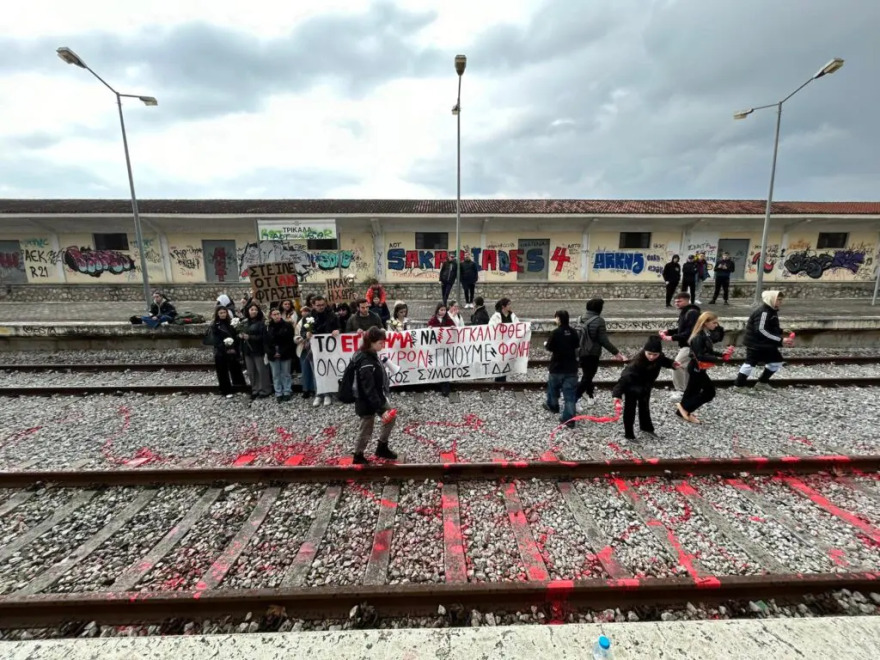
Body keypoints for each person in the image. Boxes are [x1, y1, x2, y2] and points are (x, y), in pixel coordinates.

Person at [612, 336, 678, 440]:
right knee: (630, 410)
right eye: (649, 354)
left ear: (659, 353)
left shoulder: (659, 357)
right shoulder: (636, 363)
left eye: (655, 354)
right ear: (644, 351)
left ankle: (646, 427)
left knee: (645, 408)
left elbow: (663, 361)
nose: (651, 357)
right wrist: (617, 394)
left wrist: (672, 364)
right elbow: (623, 380)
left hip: (645, 387)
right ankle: (629, 434)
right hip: (631, 387)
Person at [352, 327, 399, 465]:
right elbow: (368, 389)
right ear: (371, 342)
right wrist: (381, 409)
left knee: (390, 417)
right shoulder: (365, 361)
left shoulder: (370, 354)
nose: (382, 345)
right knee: (366, 427)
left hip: (376, 397)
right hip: (366, 400)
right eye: (380, 342)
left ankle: (381, 447)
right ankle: (358, 455)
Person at [735, 290, 794, 392]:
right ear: (771, 300)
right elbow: (761, 330)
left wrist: (781, 331)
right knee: (750, 364)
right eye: (778, 300)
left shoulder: (771, 310)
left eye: (781, 300)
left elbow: (769, 327)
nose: (781, 302)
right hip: (756, 344)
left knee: (776, 361)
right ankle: (739, 386)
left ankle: (762, 383)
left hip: (764, 344)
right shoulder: (764, 312)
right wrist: (780, 340)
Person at [677, 312, 730, 423]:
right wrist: (717, 359)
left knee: (692, 391)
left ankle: (681, 411)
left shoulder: (705, 334)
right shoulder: (698, 337)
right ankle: (685, 409)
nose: (716, 325)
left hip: (697, 368)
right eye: (714, 323)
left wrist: (721, 354)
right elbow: (700, 355)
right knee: (710, 392)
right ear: (705, 323)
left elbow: (708, 350)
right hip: (696, 368)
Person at [575, 298, 625, 405]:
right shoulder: (599, 321)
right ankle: (574, 398)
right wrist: (616, 353)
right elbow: (603, 340)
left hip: (580, 351)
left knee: (587, 375)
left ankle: (590, 396)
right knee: (588, 377)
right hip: (592, 353)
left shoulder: (579, 318)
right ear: (599, 309)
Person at [660, 292, 701, 400]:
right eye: (675, 301)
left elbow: (690, 332)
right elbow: (682, 329)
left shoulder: (692, 313)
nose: (676, 303)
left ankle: (680, 390)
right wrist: (669, 331)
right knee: (685, 368)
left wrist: (672, 338)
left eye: (679, 301)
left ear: (687, 300)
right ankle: (687, 390)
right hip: (689, 345)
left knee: (676, 365)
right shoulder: (686, 312)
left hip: (690, 345)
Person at [543, 310, 580, 428]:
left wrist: (546, 344)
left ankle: (553, 405)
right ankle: (569, 419)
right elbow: (577, 346)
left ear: (558, 319)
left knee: (553, 388)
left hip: (557, 367)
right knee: (570, 395)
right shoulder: (573, 332)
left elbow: (549, 347)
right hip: (571, 368)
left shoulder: (555, 332)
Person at [308, 295, 341, 406]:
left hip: (329, 349)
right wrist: (306, 334)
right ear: (313, 305)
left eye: (322, 305)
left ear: (326, 304)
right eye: (318, 305)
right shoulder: (308, 317)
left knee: (327, 372)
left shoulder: (332, 315)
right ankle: (318, 394)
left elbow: (340, 327)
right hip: (314, 349)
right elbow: (303, 330)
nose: (321, 307)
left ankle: (328, 394)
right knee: (316, 372)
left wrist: (337, 331)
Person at [209, 306, 246, 398]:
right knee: (222, 372)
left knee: (236, 368)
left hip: (232, 349)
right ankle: (226, 390)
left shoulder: (231, 323)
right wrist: (225, 347)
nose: (223, 314)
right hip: (221, 351)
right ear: (217, 314)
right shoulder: (215, 325)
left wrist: (235, 345)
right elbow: (215, 340)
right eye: (221, 313)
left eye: (224, 312)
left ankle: (239, 386)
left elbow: (235, 335)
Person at [239, 303, 273, 400]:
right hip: (247, 351)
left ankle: (265, 390)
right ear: (248, 311)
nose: (254, 311)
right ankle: (255, 389)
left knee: (261, 371)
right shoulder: (244, 323)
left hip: (258, 350)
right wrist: (240, 336)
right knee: (251, 372)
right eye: (252, 309)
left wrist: (250, 337)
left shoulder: (262, 323)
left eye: (256, 310)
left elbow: (263, 338)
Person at [265, 307, 296, 403]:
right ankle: (278, 392)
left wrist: (281, 352)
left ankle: (287, 391)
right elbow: (265, 342)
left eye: (278, 314)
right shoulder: (268, 327)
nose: (277, 316)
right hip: (272, 352)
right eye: (274, 314)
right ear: (271, 316)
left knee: (286, 373)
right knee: (276, 374)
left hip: (285, 351)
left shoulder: (287, 325)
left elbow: (290, 341)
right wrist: (272, 352)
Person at [428, 302, 456, 395]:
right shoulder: (433, 320)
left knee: (445, 365)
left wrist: (452, 327)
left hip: (445, 347)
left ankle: (445, 386)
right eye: (441, 310)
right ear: (437, 310)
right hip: (436, 347)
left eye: (444, 310)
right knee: (438, 365)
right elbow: (428, 329)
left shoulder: (448, 319)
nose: (443, 312)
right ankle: (439, 384)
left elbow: (454, 327)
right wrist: (429, 328)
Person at [489, 298, 519, 383]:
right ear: (503, 306)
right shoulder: (496, 316)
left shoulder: (512, 315)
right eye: (508, 304)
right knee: (499, 362)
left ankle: (503, 380)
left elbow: (518, 326)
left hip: (509, 343)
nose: (510, 306)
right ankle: (498, 381)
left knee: (506, 362)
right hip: (499, 343)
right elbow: (490, 328)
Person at [294, 306, 315, 400]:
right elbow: (295, 336)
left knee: (313, 369)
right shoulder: (298, 323)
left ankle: (314, 388)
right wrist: (300, 339)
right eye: (303, 311)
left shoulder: (313, 321)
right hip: (303, 348)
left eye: (307, 311)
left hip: (313, 348)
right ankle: (306, 389)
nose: (305, 313)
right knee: (305, 370)